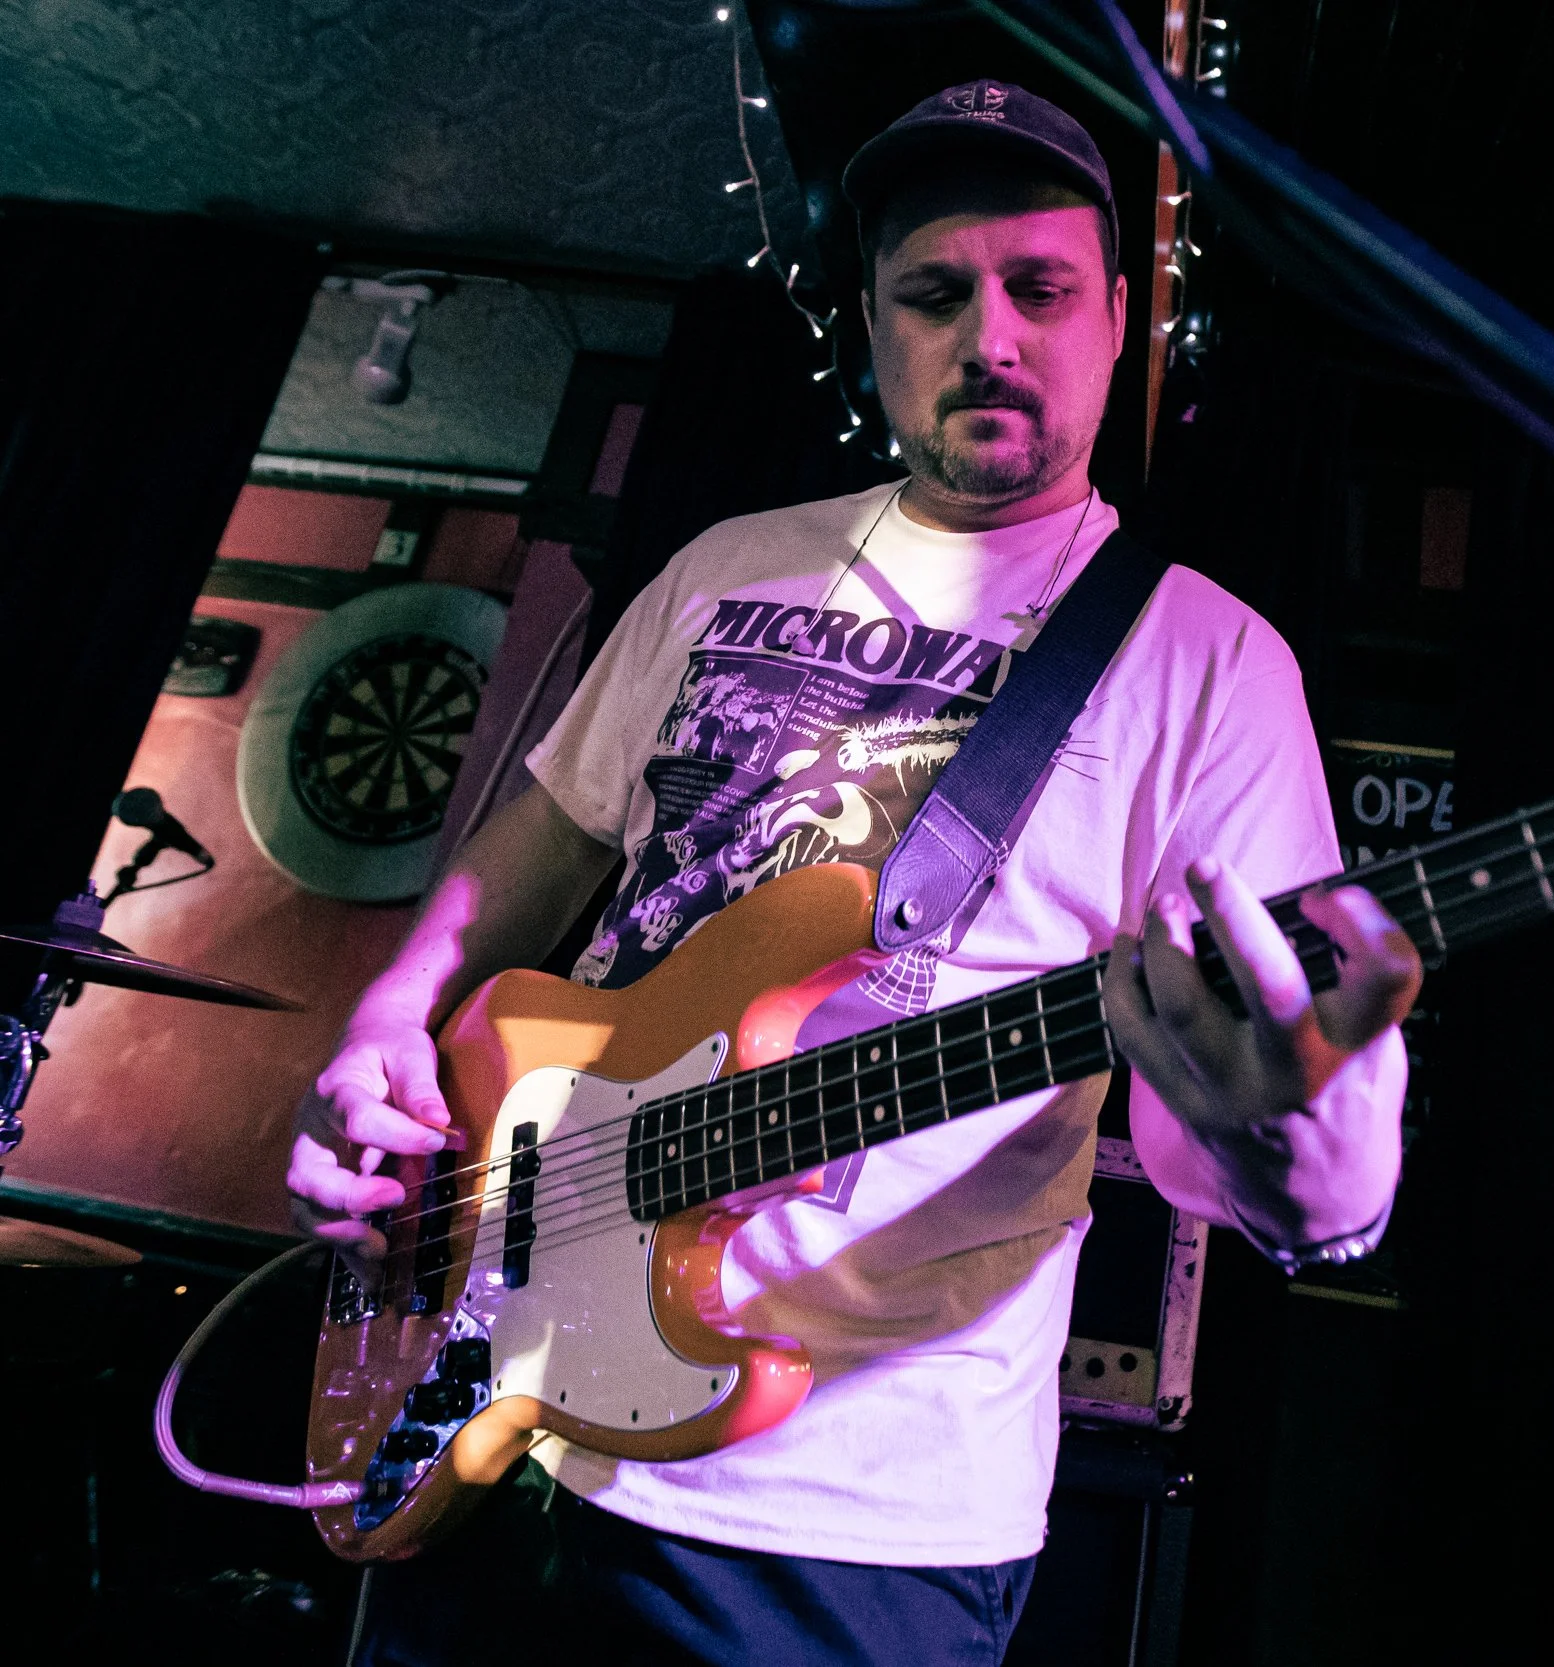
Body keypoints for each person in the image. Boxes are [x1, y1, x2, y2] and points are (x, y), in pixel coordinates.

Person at [285, 80, 1417, 1665]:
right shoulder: (723, 566)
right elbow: (544, 836)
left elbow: (1194, 1135)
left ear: (1116, 319)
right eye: (934, 294)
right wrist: (391, 1014)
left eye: (1041, 289)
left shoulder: (1210, 663)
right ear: (874, 327)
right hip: (505, 1398)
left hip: (847, 1530)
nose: (990, 336)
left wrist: (1303, 1145)